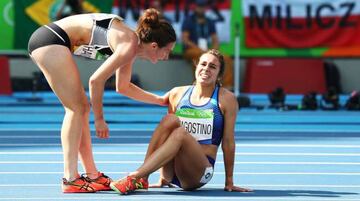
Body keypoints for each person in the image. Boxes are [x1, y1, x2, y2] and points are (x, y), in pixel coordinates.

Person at [28, 8, 176, 193]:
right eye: (167, 51)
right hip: (50, 40)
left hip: (52, 40)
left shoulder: (131, 46)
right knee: (76, 108)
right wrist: (99, 119)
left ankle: (92, 175)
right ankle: (70, 178)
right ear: (154, 45)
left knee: (81, 108)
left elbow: (123, 87)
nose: (166, 56)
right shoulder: (129, 44)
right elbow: (96, 80)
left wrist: (159, 100)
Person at [110, 49, 252, 194]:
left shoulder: (226, 99)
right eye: (203, 64)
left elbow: (228, 142)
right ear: (196, 66)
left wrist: (229, 181)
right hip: (173, 169)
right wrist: (126, 59)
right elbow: (161, 121)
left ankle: (135, 176)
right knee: (169, 119)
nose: (206, 69)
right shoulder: (178, 93)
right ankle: (144, 177)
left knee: (180, 134)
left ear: (219, 74)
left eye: (212, 67)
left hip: (199, 172)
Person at [181, 0, 234, 90]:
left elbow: (215, 40)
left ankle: (226, 87)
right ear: (195, 7)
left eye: (203, 7)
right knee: (200, 56)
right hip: (192, 50)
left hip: (206, 50)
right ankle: (199, 85)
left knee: (226, 58)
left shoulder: (209, 21)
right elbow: (185, 40)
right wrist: (201, 50)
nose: (201, 9)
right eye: (199, 7)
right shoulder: (189, 20)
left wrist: (214, 51)